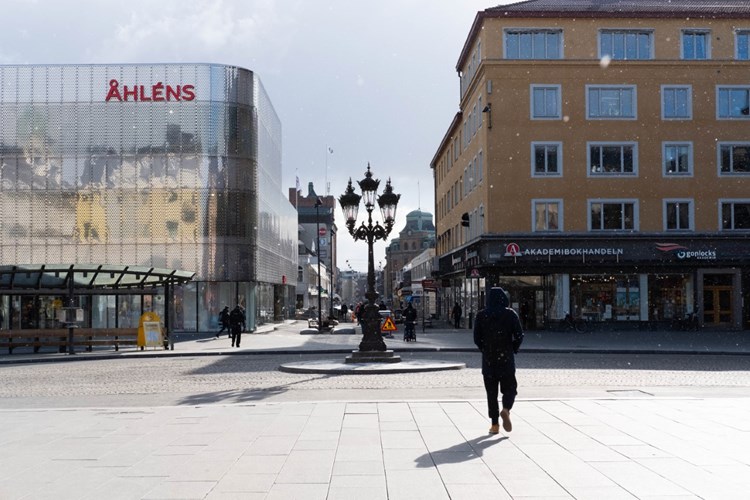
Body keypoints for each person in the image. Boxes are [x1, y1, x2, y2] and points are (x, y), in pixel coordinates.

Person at [473, 287, 524, 435]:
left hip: (489, 361)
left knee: (491, 393)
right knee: (510, 389)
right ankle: (506, 409)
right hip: (506, 358)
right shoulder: (510, 314)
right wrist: (513, 348)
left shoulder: (481, 315)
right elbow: (520, 335)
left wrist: (485, 349)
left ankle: (494, 424)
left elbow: (476, 339)